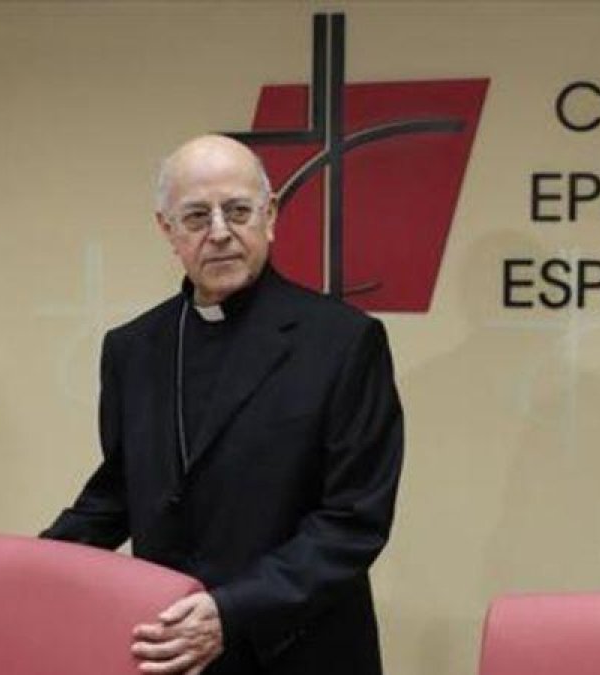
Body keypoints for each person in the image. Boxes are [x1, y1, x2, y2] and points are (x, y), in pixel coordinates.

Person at [42, 134, 404, 675]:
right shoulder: (134, 348)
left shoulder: (343, 342)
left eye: (237, 211)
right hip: (173, 649)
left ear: (271, 215)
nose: (219, 233)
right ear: (167, 229)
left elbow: (352, 521)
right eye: (195, 216)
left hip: (300, 650)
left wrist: (232, 611)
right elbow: (119, 491)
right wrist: (30, 568)